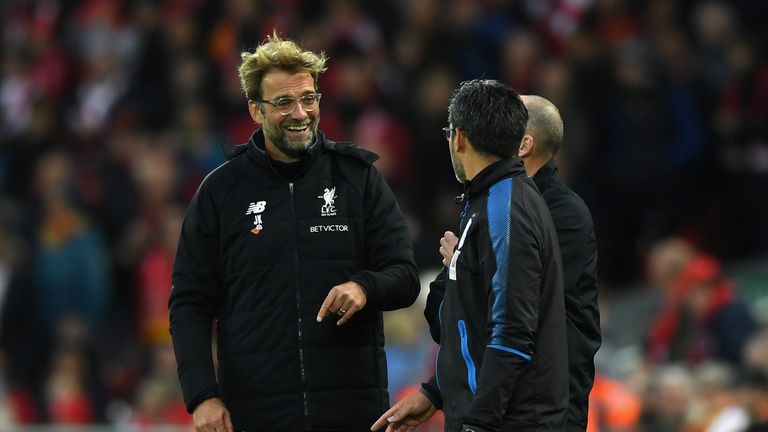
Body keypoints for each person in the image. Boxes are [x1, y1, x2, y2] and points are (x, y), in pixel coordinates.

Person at [169, 32, 420, 432]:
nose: (301, 112)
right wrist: (202, 395)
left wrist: (364, 287)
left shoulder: (359, 180)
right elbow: (189, 303)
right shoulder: (221, 193)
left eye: (308, 98)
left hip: (351, 412)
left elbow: (405, 277)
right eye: (283, 102)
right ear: (255, 109)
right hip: (256, 417)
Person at [373, 80, 568, 432]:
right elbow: (465, 325)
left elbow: (512, 333)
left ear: (459, 138)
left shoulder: (505, 212)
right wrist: (436, 393)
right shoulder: (487, 201)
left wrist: (478, 424)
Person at [432, 95, 601, 431]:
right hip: (501, 402)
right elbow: (453, 318)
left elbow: (515, 320)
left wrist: (463, 265)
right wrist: (434, 393)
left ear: (523, 144)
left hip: (535, 410)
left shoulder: (551, 213)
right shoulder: (487, 202)